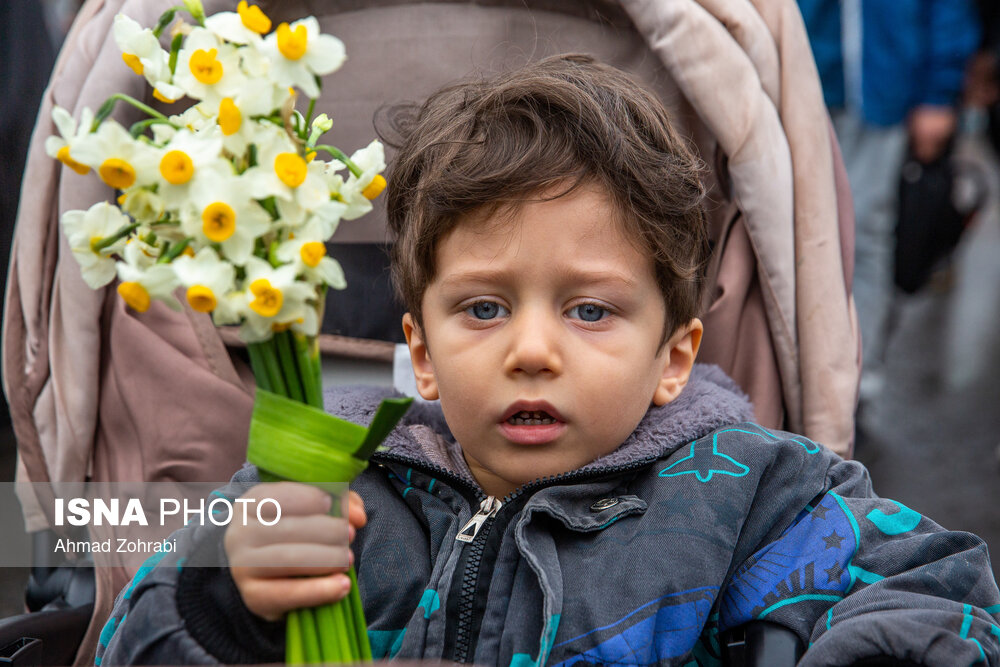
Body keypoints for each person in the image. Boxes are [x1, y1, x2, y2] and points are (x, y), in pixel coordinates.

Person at [97, 55, 1000, 666]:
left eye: (590, 310)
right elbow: (126, 635)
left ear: (674, 355)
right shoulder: (329, 486)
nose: (531, 350)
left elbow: (934, 588)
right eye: (483, 308)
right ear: (422, 352)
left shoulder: (756, 497)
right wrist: (224, 603)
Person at [796, 0, 981, 409]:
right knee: (788, 235)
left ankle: (854, 381)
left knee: (863, 234)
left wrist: (938, 91)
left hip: (876, 89)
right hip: (795, 84)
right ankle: (795, 371)